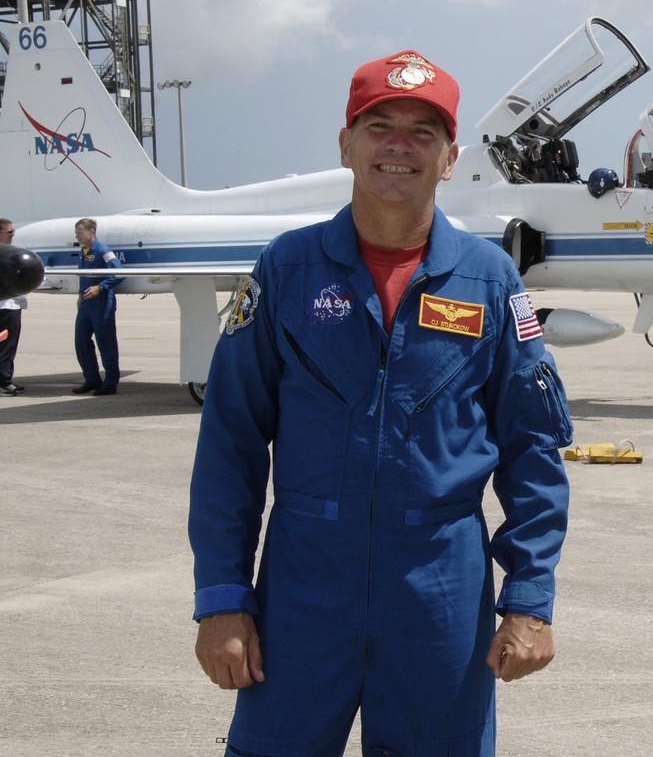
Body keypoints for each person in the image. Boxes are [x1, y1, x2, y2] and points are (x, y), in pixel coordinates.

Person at [188, 48, 573, 757]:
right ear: (346, 143)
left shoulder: (490, 281)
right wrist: (222, 600)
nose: (400, 146)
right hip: (301, 592)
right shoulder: (287, 269)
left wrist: (528, 598)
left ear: (451, 157)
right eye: (380, 126)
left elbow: (533, 453)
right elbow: (230, 445)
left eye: (423, 132)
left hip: (439, 590)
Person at [71, 218, 123, 396]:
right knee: (81, 340)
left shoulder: (103, 251)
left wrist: (100, 287)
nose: (76, 235)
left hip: (101, 303)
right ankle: (91, 379)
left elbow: (119, 273)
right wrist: (80, 296)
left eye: (79, 231)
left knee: (106, 342)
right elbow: (83, 276)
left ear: (91, 231)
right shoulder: (82, 251)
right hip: (86, 303)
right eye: (76, 232)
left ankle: (110, 383)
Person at [0, 217, 27, 397]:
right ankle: (2, 383)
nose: (12, 236)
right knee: (3, 346)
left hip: (13, 304)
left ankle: (6, 379)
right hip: (3, 306)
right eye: (9, 232)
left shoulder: (10, 252)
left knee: (10, 346)